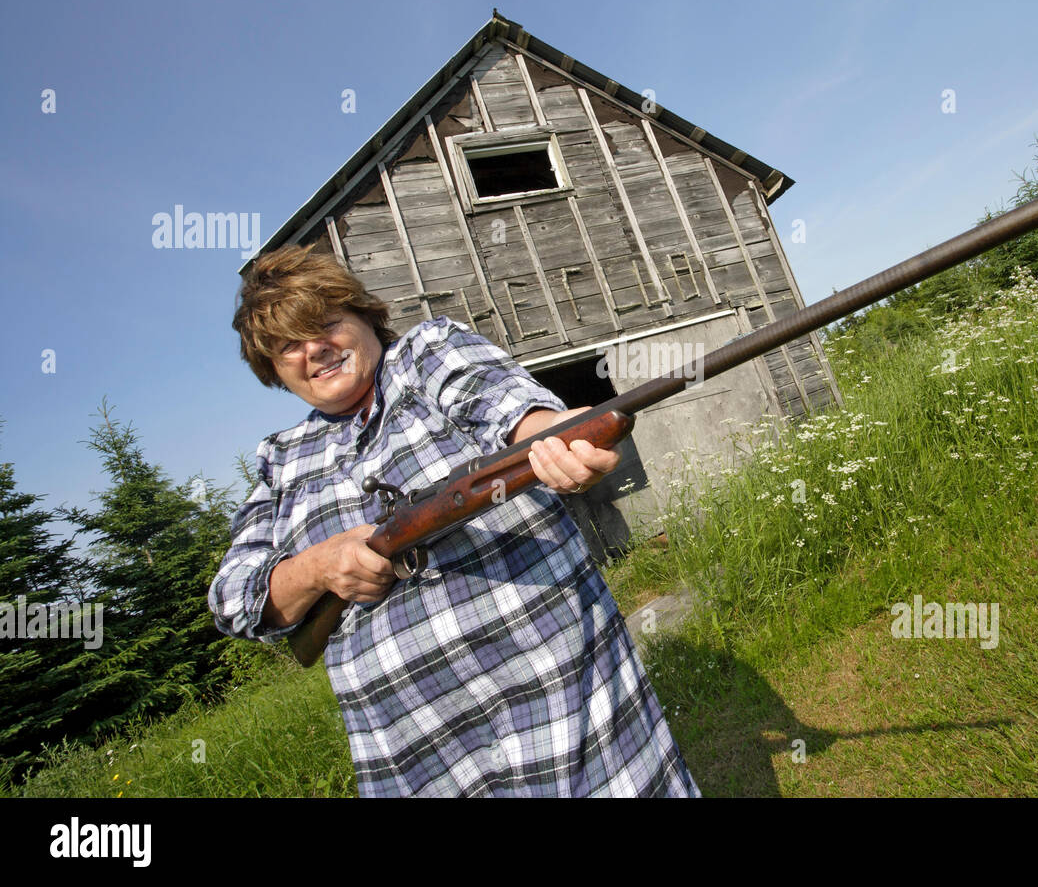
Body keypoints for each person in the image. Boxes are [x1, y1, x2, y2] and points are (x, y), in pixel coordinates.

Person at [208, 244, 700, 797]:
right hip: (415, 754)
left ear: (364, 315)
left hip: (561, 702)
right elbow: (233, 596)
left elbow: (509, 408)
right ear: (272, 370)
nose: (313, 350)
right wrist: (317, 568)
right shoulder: (280, 459)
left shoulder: (427, 353)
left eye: (324, 324)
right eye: (287, 346)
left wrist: (559, 435)